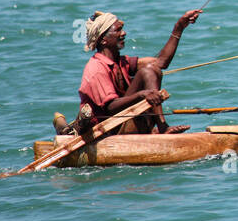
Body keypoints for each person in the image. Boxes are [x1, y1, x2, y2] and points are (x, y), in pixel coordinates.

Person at [54, 9, 202, 136]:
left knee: (152, 70)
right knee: (147, 72)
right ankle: (162, 127)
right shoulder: (96, 68)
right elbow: (111, 107)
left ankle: (161, 127)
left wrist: (179, 27)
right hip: (109, 131)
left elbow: (160, 63)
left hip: (125, 122)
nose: (124, 33)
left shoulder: (120, 61)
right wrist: (142, 94)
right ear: (103, 40)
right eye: (118, 30)